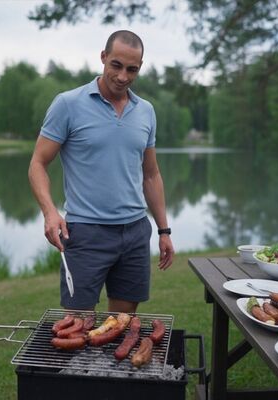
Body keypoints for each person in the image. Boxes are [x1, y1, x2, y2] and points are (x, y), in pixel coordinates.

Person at [28, 30, 174, 313]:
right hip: (85, 233)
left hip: (135, 232)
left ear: (140, 67)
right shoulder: (68, 104)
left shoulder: (146, 111)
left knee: (122, 323)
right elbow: (37, 163)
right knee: (77, 325)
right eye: (116, 65)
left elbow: (151, 174)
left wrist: (164, 230)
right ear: (103, 57)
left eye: (132, 69)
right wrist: (49, 212)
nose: (122, 76)